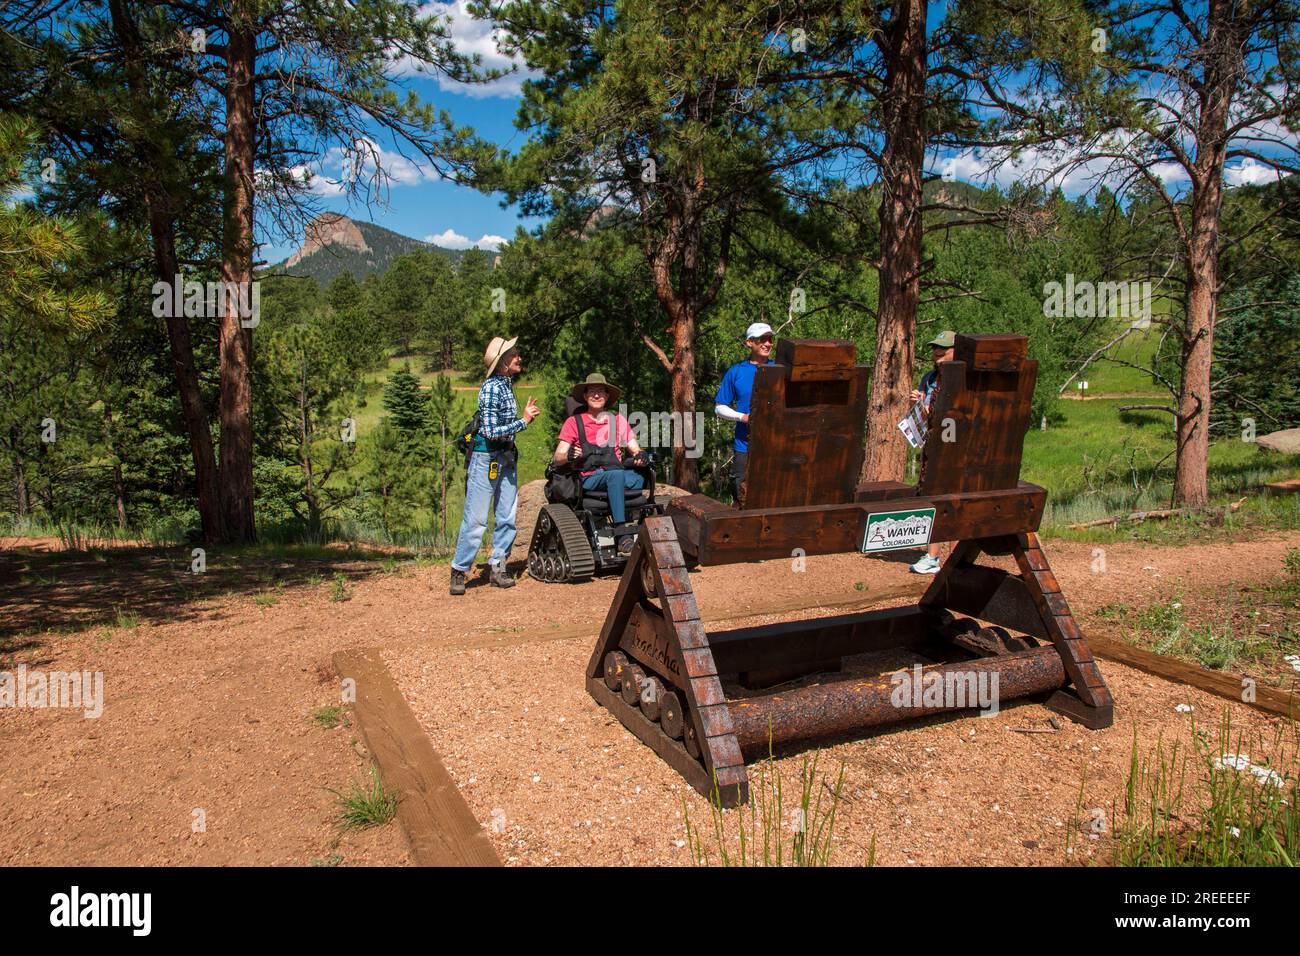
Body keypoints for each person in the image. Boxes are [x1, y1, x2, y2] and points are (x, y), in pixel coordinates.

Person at [450, 336, 541, 595]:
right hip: (486, 458)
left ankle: (498, 565)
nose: (519, 357)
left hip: (506, 457)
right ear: (502, 362)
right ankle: (459, 569)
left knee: (507, 516)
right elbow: (490, 431)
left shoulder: (505, 384)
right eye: (514, 355)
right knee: (477, 519)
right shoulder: (491, 388)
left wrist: (522, 419)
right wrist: (523, 421)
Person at [552, 373, 649, 555]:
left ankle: (649, 528)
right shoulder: (573, 422)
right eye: (592, 391)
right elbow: (558, 457)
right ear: (585, 396)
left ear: (607, 396)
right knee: (617, 475)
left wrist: (641, 455)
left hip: (615, 475)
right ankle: (622, 537)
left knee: (641, 474)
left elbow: (634, 448)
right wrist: (570, 455)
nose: (596, 395)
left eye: (601, 392)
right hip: (590, 477)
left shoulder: (617, 420)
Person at [909, 329, 956, 575]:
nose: (937, 351)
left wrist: (932, 411)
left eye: (943, 347)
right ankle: (933, 556)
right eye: (935, 347)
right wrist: (917, 404)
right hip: (932, 445)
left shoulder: (960, 378)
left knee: (954, 500)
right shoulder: (929, 377)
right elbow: (924, 413)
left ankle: (955, 559)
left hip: (956, 447)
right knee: (933, 498)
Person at [714, 322, 776, 505]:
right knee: (740, 489)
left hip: (776, 445)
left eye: (770, 339)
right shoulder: (736, 372)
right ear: (749, 342)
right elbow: (719, 407)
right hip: (745, 445)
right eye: (762, 339)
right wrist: (743, 417)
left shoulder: (780, 368)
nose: (767, 343)